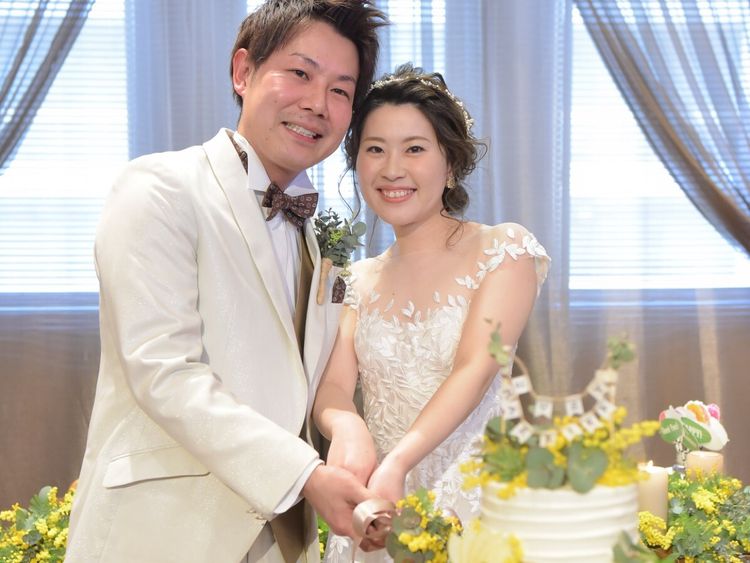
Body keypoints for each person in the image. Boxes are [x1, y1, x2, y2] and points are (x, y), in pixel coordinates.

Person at [65, 2, 386, 562]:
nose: (318, 103)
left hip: (285, 540)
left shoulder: (315, 236)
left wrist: (347, 431)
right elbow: (164, 372)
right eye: (301, 73)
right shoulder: (159, 187)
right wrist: (306, 475)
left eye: (341, 90)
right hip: (165, 534)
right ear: (243, 71)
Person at [312, 64, 551, 562]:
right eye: (375, 149)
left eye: (415, 149)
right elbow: (332, 389)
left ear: (451, 165)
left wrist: (398, 463)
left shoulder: (504, 251)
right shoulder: (357, 280)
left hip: (471, 505)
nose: (392, 169)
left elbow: (475, 367)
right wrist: (349, 428)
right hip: (377, 505)